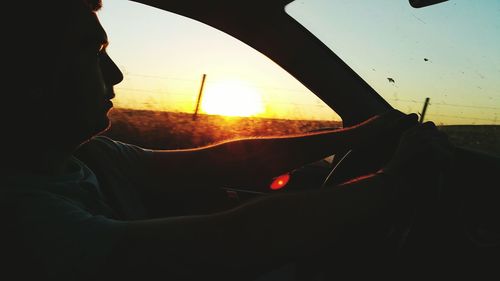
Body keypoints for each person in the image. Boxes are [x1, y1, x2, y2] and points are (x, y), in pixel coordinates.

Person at [1, 1, 453, 280]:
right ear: (28, 72)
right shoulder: (20, 212)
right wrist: (393, 183)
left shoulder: (86, 156)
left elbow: (219, 163)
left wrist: (358, 134)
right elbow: (225, 241)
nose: (116, 73)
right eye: (92, 52)